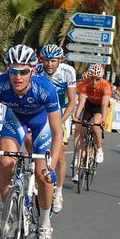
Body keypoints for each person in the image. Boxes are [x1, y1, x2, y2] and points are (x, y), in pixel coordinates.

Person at [0, 44, 62, 239]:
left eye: (23, 71)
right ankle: (9, 215)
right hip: (15, 120)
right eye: (13, 71)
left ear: (32, 71)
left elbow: (57, 132)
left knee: (43, 177)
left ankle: (44, 225)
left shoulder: (45, 89)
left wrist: (51, 166)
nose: (18, 77)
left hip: (41, 124)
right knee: (6, 162)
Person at [36, 44, 76, 213]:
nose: (49, 64)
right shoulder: (37, 70)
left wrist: (61, 121)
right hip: (42, 112)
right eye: (46, 61)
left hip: (61, 112)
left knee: (59, 155)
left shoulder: (68, 72)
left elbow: (72, 101)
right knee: (31, 140)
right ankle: (36, 170)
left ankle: (58, 191)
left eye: (53, 61)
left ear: (60, 60)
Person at [72, 64, 111, 170]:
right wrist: (76, 116)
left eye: (97, 79)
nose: (94, 82)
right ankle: (82, 158)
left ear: (101, 78)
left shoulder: (105, 85)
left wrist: (103, 119)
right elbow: (81, 103)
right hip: (89, 105)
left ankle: (99, 149)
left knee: (95, 125)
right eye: (91, 79)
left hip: (100, 106)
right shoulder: (84, 84)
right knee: (83, 132)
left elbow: (104, 105)